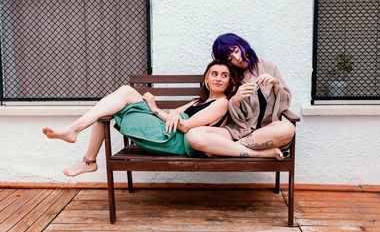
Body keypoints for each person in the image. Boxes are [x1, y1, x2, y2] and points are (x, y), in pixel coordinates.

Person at [42, 59, 240, 177]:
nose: (218, 78)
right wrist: (169, 112)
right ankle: (86, 156)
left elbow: (186, 127)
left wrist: (154, 108)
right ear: (206, 78)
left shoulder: (222, 103)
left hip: (173, 140)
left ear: (230, 81)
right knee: (111, 103)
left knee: (123, 94)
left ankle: (80, 144)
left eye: (224, 75)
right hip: (167, 130)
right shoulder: (197, 101)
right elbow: (174, 114)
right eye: (214, 74)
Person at [186, 33, 296, 160]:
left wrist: (276, 85)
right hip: (237, 131)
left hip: (266, 132)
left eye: (237, 51)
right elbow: (220, 103)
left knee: (287, 128)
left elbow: (285, 104)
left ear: (242, 44)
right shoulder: (229, 75)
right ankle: (256, 153)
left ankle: (226, 149)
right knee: (194, 134)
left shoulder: (269, 67)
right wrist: (236, 100)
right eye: (230, 58)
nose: (237, 58)